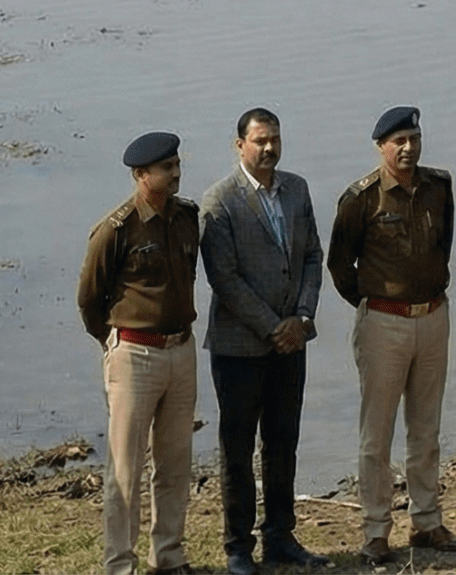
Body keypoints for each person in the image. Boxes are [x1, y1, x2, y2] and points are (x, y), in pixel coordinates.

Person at [326, 107, 456, 563]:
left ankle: (427, 522)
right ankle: (376, 531)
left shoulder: (438, 187)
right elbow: (339, 265)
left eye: (414, 139)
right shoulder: (361, 198)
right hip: (383, 323)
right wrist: (375, 304)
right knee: (377, 435)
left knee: (427, 429)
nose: (408, 148)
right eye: (399, 141)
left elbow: (444, 245)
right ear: (381, 147)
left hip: (433, 317)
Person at [199, 110, 328, 572]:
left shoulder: (297, 189)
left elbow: (312, 255)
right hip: (239, 348)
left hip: (292, 344)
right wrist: (274, 326)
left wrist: (303, 318)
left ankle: (280, 537)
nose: (269, 148)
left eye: (274, 139)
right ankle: (238, 548)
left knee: (282, 442)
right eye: (259, 141)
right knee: (237, 451)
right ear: (240, 146)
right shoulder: (219, 202)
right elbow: (225, 279)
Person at [77, 132, 200, 575]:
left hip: (181, 350)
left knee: (175, 462)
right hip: (134, 354)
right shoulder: (117, 229)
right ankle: (120, 563)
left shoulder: (187, 218)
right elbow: (90, 299)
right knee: (125, 469)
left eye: (177, 164)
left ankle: (168, 555)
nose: (176, 173)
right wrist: (114, 344)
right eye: (166, 168)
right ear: (140, 174)